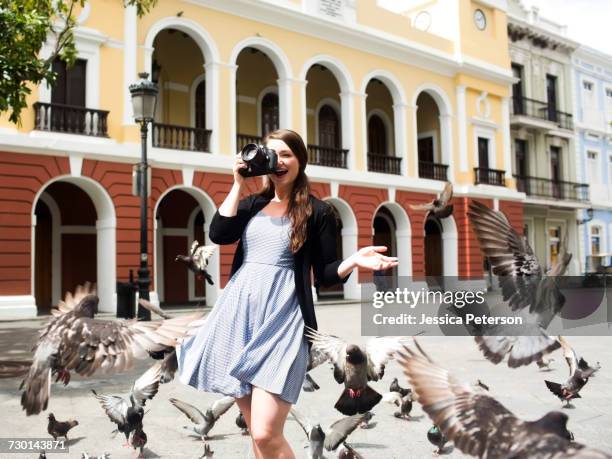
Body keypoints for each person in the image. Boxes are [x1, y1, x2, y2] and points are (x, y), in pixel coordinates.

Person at [176, 129, 398, 459]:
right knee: (257, 434)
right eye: (272, 154)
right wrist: (238, 183)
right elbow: (219, 233)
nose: (278, 161)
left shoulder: (318, 211)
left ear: (300, 160)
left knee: (266, 432)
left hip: (284, 321)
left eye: (286, 154)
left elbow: (324, 276)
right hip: (238, 318)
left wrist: (352, 261)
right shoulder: (253, 205)